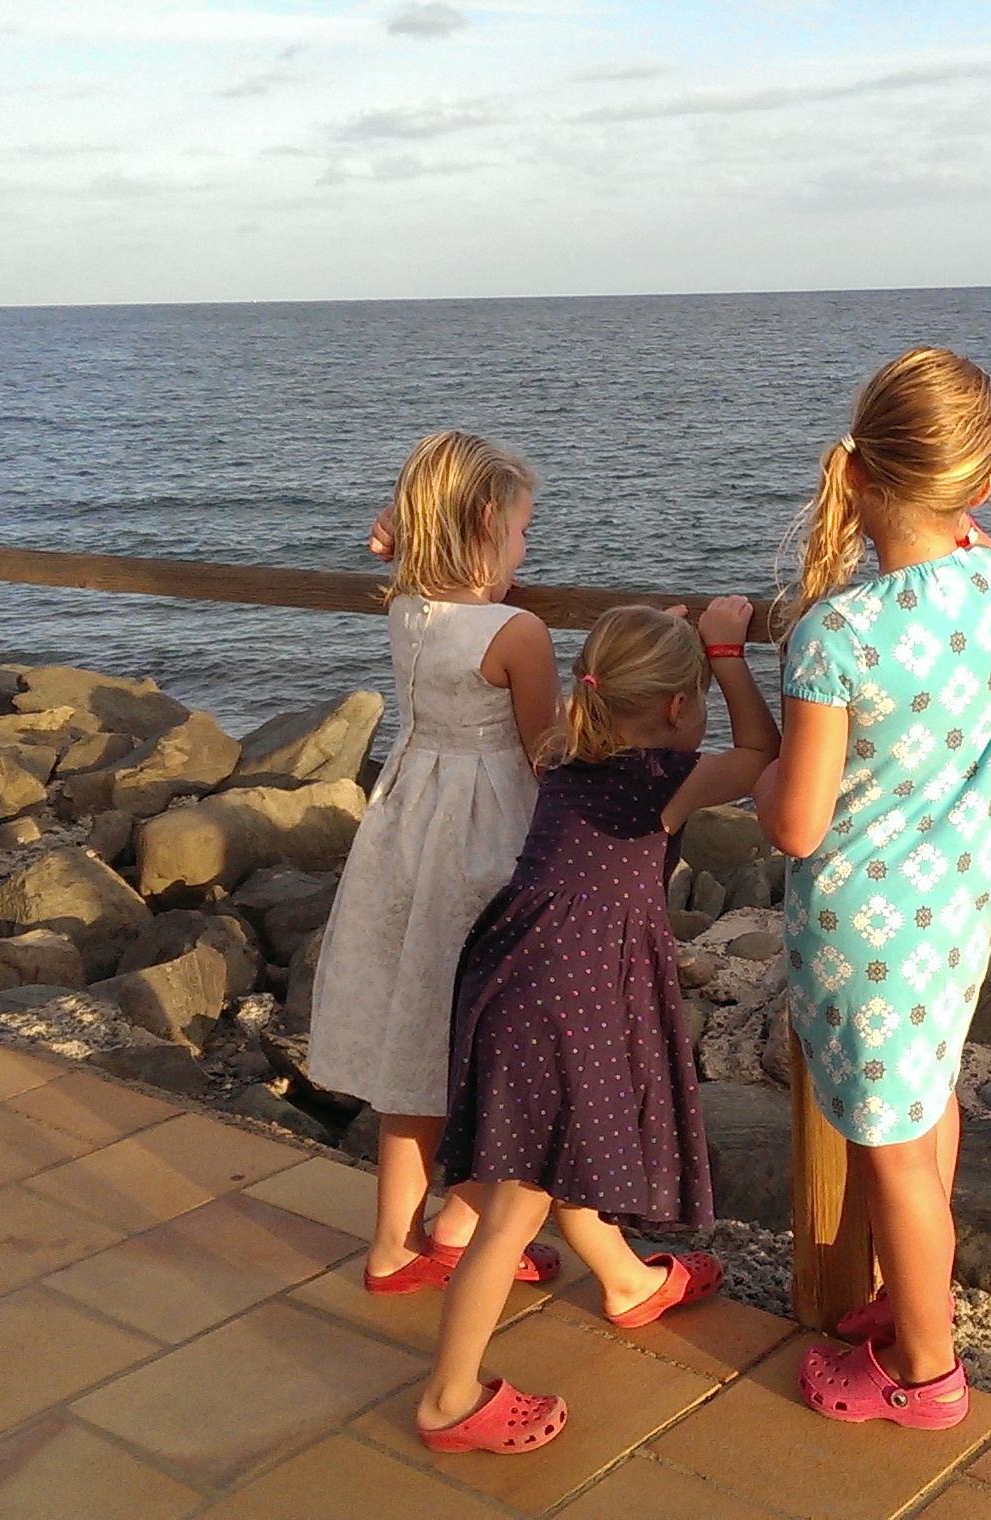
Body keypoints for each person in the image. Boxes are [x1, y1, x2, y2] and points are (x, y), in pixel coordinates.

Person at [412, 599, 781, 1453]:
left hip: (518, 970)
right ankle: (448, 1399)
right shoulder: (661, 781)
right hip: (568, 995)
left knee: (566, 1147)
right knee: (514, 1209)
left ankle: (626, 1282)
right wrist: (727, 652)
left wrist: (668, 647)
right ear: (678, 707)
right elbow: (762, 753)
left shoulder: (562, 753)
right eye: (692, 697)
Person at [754, 347, 991, 1430]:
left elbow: (796, 822)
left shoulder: (837, 635)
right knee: (928, 1107)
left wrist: (754, 760)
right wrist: (968, 531)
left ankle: (927, 1373)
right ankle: (915, 1298)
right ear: (983, 486)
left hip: (865, 932)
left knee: (892, 1147)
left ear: (857, 471)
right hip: (956, 909)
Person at [314, 430, 565, 1295]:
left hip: (410, 819)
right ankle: (467, 1221)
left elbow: (400, 541)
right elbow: (547, 754)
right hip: (487, 839)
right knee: (497, 1036)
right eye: (524, 531)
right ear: (489, 523)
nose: (528, 548)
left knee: (419, 1037)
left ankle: (401, 1241)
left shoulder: (409, 606)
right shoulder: (519, 632)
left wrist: (404, 531)